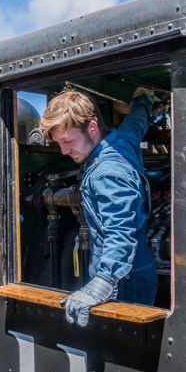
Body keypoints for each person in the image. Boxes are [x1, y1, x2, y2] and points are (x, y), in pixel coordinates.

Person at [40, 87, 158, 326]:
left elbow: (120, 232)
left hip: (123, 283)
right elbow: (135, 123)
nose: (64, 151)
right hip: (135, 271)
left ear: (92, 127)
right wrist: (142, 100)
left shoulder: (107, 173)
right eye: (58, 142)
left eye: (67, 141)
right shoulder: (122, 140)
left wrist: (103, 283)